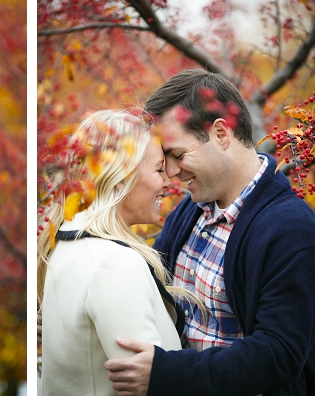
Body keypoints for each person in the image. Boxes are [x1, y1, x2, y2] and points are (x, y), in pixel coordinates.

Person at [105, 69, 315, 395]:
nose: (171, 173)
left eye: (177, 154)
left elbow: (278, 355)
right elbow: (150, 290)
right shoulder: (192, 210)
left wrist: (167, 373)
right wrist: (79, 317)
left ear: (220, 133)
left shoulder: (291, 229)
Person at [37, 110, 191, 396]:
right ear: (121, 177)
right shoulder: (113, 264)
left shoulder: (66, 243)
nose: (169, 181)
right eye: (158, 169)